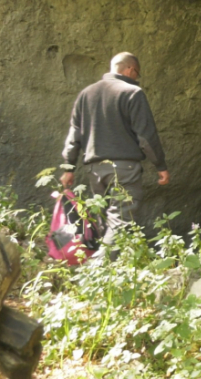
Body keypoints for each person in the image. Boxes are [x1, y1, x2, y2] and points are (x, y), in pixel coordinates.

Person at [60, 52, 170, 256]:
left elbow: (74, 134)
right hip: (124, 168)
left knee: (103, 222)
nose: (136, 78)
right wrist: (160, 166)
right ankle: (97, 271)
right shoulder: (132, 93)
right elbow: (145, 136)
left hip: (94, 170)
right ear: (129, 69)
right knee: (121, 220)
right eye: (137, 73)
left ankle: (105, 273)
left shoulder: (86, 94)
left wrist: (69, 167)